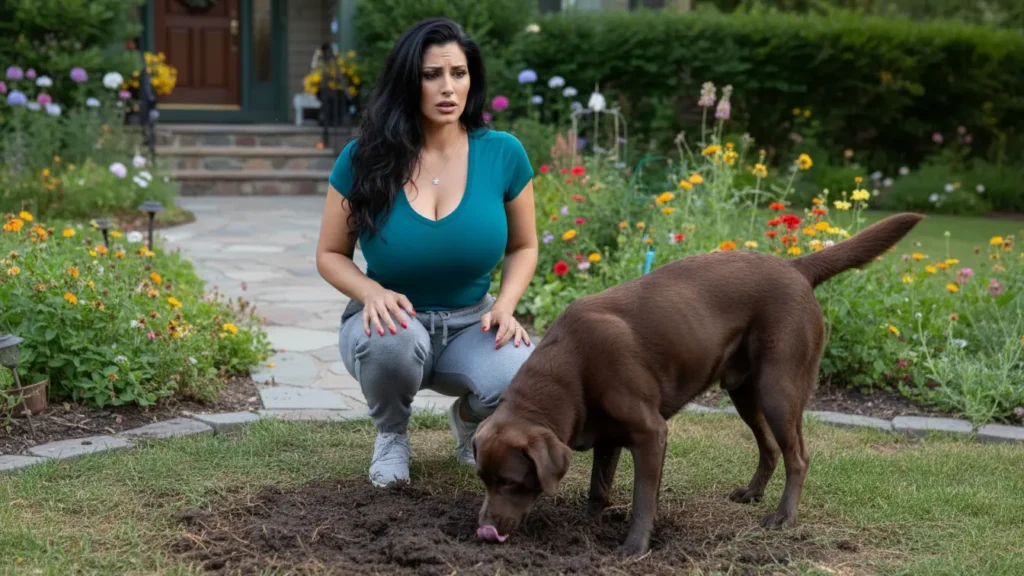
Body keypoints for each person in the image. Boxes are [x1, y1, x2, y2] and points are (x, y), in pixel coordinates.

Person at [315, 17, 539, 488]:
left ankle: (469, 420)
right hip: (390, 320)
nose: (447, 88)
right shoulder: (363, 158)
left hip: (471, 323)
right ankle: (392, 437)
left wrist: (505, 306)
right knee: (391, 340)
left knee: (524, 374)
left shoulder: (503, 153)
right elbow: (331, 253)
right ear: (407, 81)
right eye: (431, 74)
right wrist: (371, 291)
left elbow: (524, 245)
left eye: (458, 73)